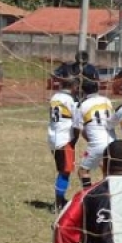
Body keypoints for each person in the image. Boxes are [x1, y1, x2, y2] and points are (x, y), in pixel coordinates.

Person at [74, 80, 116, 188]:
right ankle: (109, 192)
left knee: (83, 171)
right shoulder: (107, 100)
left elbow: (78, 128)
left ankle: (88, 195)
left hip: (97, 144)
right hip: (113, 143)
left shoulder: (81, 105)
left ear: (82, 91)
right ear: (97, 88)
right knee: (107, 171)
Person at [48, 78, 80, 212]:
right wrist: (75, 139)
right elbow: (77, 123)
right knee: (65, 171)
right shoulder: (71, 101)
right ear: (73, 86)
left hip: (53, 136)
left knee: (63, 170)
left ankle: (60, 200)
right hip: (64, 138)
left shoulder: (54, 97)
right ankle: (58, 203)